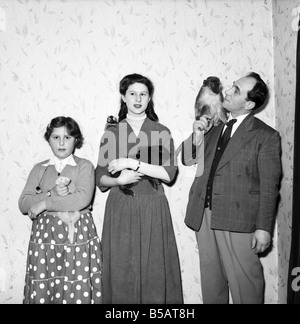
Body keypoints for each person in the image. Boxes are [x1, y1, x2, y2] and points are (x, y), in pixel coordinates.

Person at [181, 72, 282, 304]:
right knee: (211, 282)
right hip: (204, 215)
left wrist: (264, 228)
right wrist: (197, 136)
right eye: (233, 86)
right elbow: (187, 160)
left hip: (238, 221)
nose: (227, 91)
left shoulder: (266, 136)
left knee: (245, 283)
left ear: (248, 103)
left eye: (235, 90)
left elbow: (269, 186)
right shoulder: (214, 125)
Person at [96, 73, 183, 304]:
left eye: (143, 94)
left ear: (149, 98)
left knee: (154, 270)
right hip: (121, 208)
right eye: (132, 93)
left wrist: (131, 163)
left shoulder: (161, 130)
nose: (137, 98)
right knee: (123, 269)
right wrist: (118, 181)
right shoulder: (112, 132)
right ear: (123, 97)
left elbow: (168, 173)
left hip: (153, 207)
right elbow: (100, 177)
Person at [19, 116, 102, 304]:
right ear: (48, 139)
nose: (62, 142)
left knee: (76, 288)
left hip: (78, 236)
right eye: (56, 137)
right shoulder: (39, 169)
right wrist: (51, 194)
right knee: (45, 287)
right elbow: (24, 203)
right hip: (45, 239)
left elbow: (82, 199)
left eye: (67, 137)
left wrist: (44, 205)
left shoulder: (84, 166)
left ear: (76, 140)